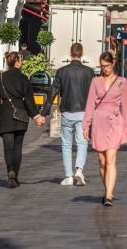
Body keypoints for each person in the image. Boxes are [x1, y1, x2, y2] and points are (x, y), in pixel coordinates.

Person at [39, 42, 95, 186]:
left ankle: (68, 176)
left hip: (67, 112)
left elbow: (53, 93)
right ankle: (79, 170)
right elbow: (93, 95)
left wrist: (44, 112)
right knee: (82, 142)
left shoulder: (62, 71)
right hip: (83, 112)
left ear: (71, 55)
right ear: (81, 55)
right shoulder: (89, 72)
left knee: (66, 144)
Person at [83, 51, 127, 206]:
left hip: (115, 121)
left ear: (112, 64)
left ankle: (109, 195)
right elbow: (90, 104)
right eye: (103, 66)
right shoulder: (95, 81)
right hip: (99, 122)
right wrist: (86, 125)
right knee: (102, 161)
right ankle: (106, 190)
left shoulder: (121, 82)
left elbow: (125, 105)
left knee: (111, 159)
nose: (105, 69)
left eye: (108, 66)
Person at [0, 51, 45, 188]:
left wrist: (0, 112)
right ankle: (15, 175)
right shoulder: (23, 78)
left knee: (8, 147)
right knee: (18, 147)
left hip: (7, 116)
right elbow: (29, 100)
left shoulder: (1, 78)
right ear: (17, 62)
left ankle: (10, 170)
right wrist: (36, 116)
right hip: (21, 116)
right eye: (20, 60)